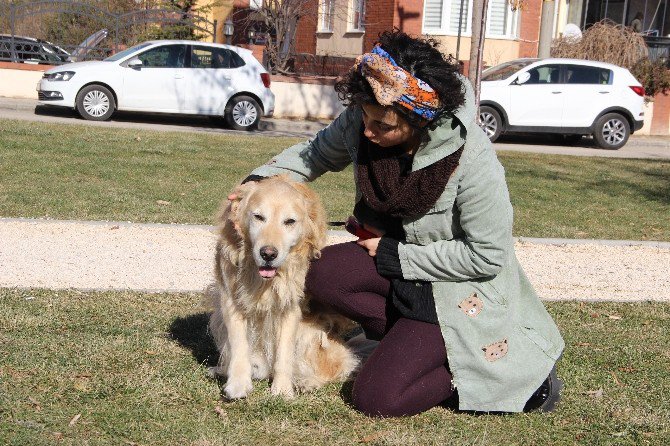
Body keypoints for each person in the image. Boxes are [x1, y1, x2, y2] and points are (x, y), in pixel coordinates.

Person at [238, 30, 564, 417]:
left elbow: (486, 256)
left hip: (455, 290)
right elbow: (316, 154)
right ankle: (405, 343)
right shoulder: (366, 117)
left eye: (384, 126)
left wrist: (399, 255)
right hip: (399, 272)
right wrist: (255, 182)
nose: (369, 132)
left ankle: (502, 374)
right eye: (366, 120)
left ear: (420, 120)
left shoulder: (472, 160)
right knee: (319, 272)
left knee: (376, 399)